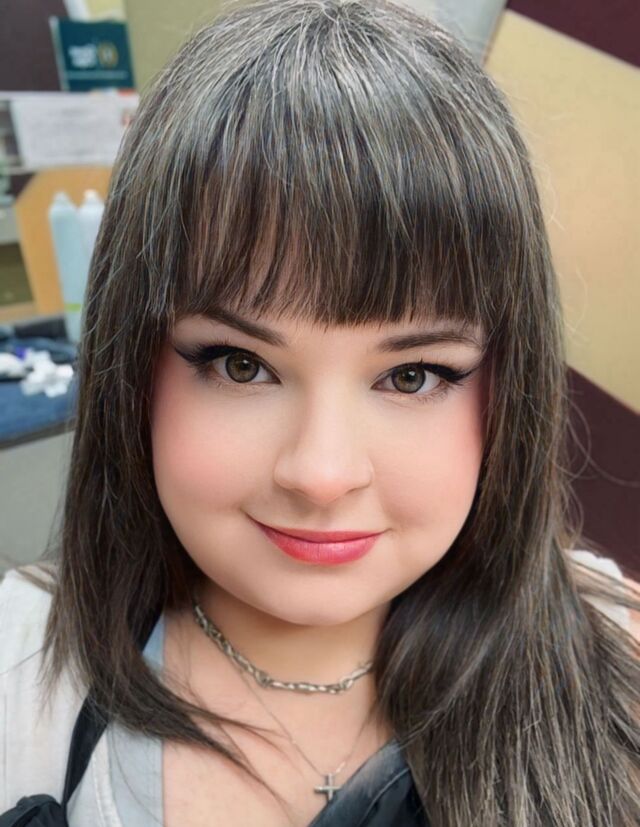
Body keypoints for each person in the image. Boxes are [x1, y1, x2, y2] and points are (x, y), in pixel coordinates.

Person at [1, 0, 639, 825]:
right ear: (133, 367)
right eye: (240, 364)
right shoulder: (20, 669)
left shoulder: (615, 663)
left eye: (412, 375)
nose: (322, 473)